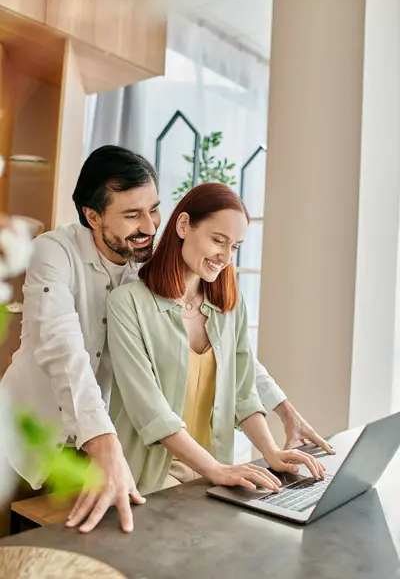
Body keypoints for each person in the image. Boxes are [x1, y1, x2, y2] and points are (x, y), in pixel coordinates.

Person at [0, 145, 333, 534]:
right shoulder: (53, 252)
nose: (150, 226)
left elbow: (229, 353)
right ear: (92, 216)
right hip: (29, 436)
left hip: (99, 448)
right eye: (132, 214)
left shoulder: (146, 264)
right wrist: (105, 442)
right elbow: (64, 349)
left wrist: (284, 410)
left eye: (153, 209)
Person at [106, 183, 325, 494]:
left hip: (210, 471)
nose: (225, 257)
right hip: (147, 475)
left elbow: (244, 393)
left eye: (234, 247)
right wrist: (216, 470)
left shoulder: (229, 307)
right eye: (218, 240)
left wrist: (271, 452)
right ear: (183, 226)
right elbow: (149, 410)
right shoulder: (127, 303)